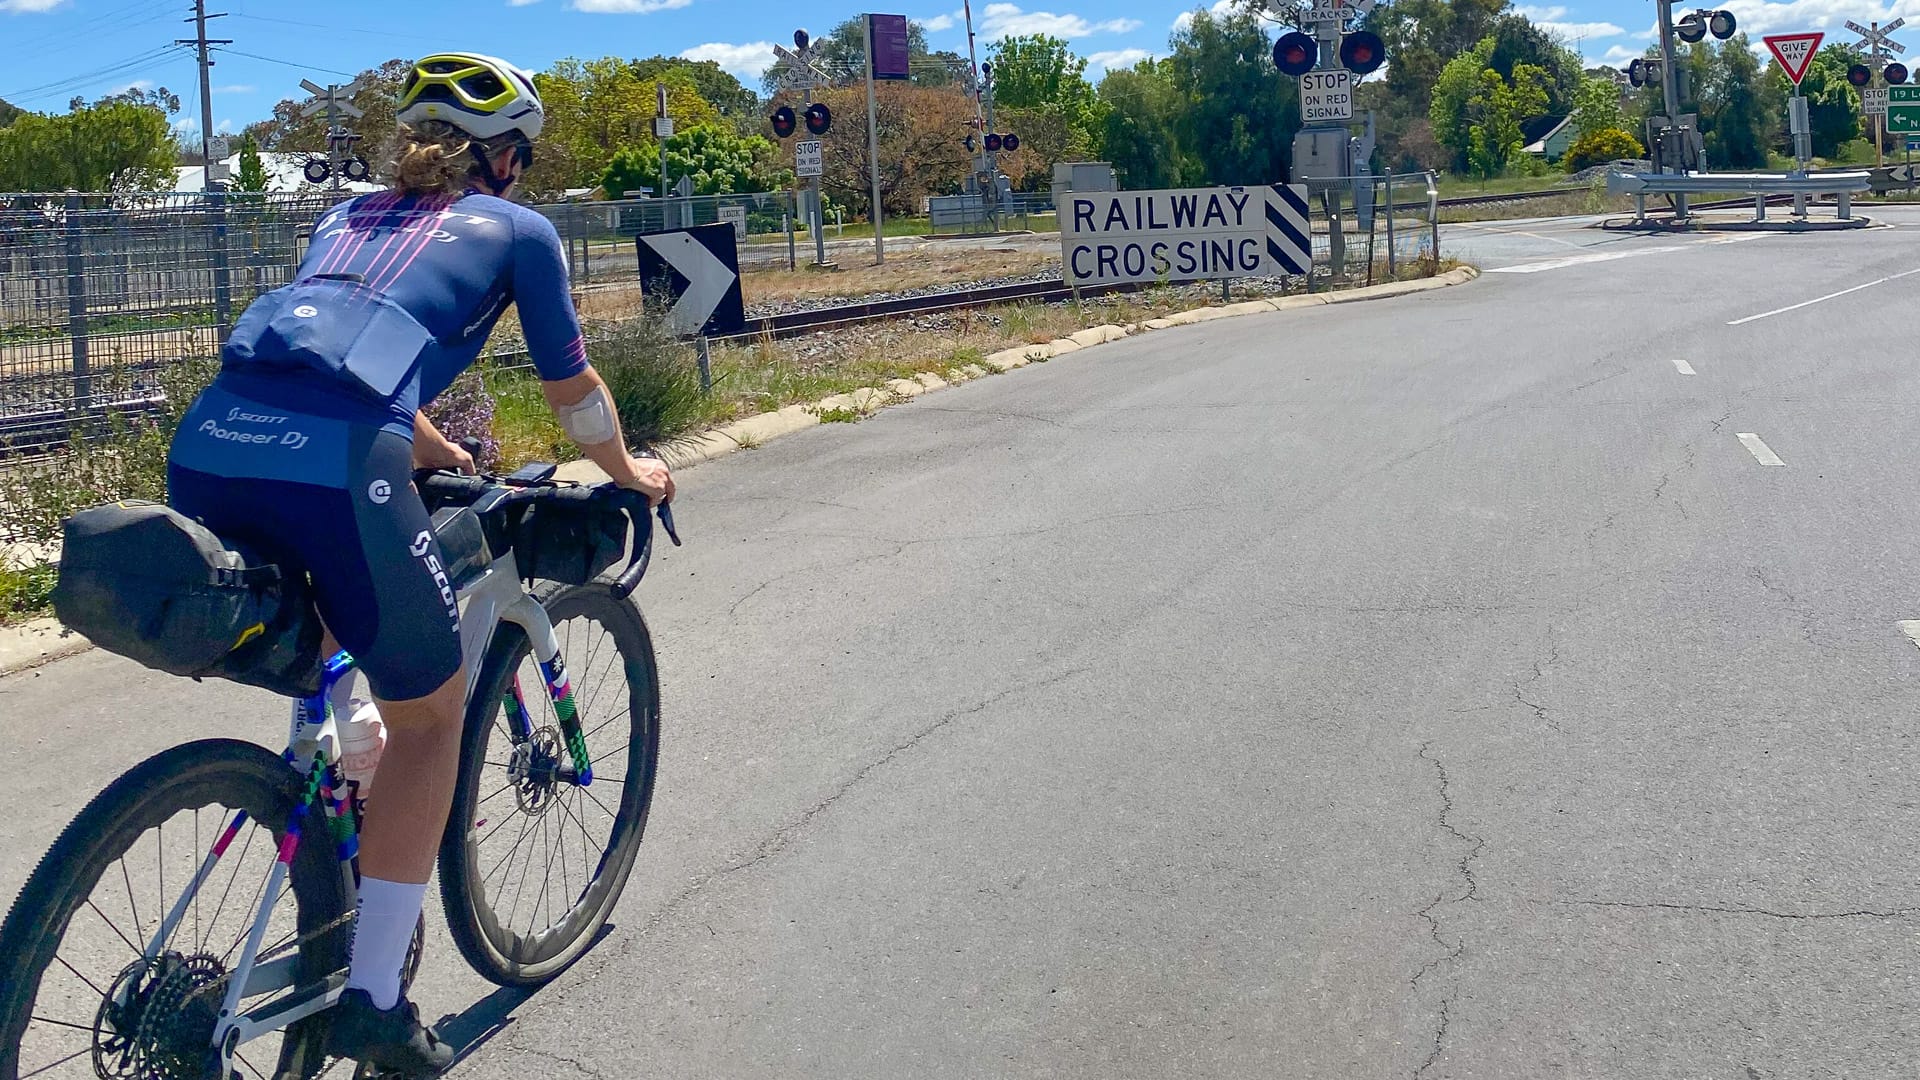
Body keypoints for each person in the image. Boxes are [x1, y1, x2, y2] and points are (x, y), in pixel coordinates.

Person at [165, 52, 672, 1075]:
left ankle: (331, 752)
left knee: (338, 644)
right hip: (340, 466)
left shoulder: (344, 218)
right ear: (507, 159)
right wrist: (636, 469)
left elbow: (350, 352)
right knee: (433, 717)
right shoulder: (521, 232)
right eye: (522, 160)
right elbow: (573, 395)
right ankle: (374, 998)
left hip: (206, 452)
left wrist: (437, 449)